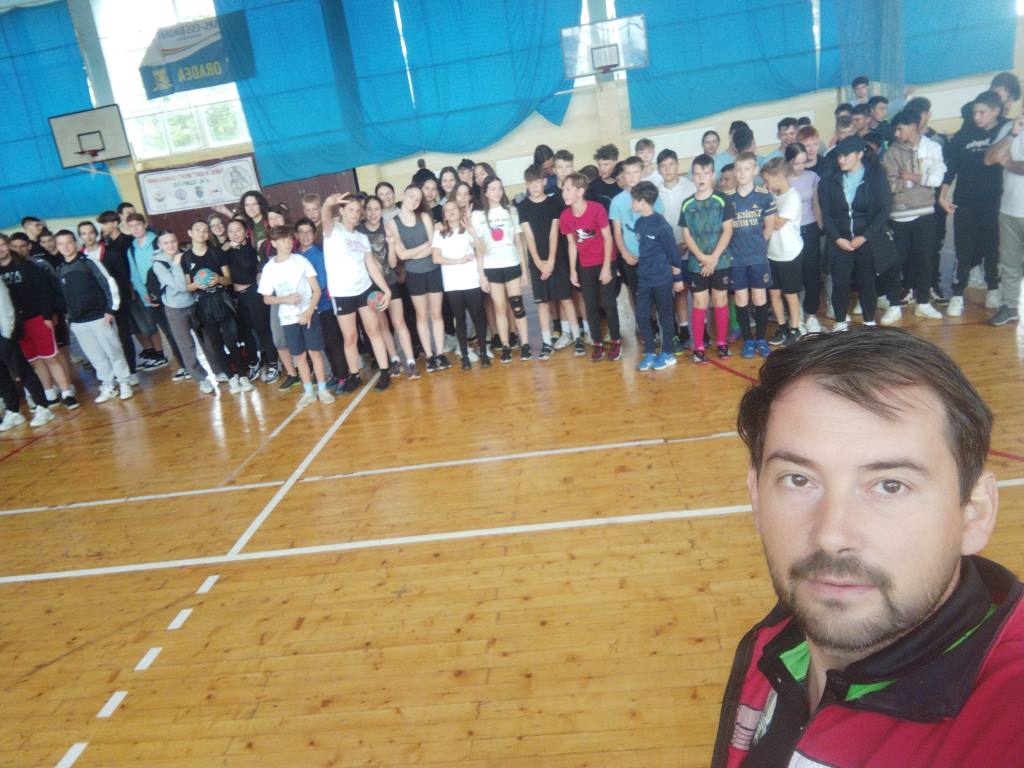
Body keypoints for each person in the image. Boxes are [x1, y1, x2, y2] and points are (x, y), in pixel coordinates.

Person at [714, 326, 1021, 768]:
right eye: (798, 480)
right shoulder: (774, 643)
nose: (831, 534)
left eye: (890, 485)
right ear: (756, 496)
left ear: (974, 513)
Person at [818, 135, 894, 331]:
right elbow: (826, 213)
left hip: (866, 239)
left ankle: (869, 322)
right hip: (840, 240)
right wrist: (837, 238)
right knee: (840, 283)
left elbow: (884, 210)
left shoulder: (875, 177)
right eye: (839, 156)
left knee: (867, 281)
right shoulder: (829, 180)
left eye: (846, 155)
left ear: (859, 154)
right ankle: (840, 322)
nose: (841, 160)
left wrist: (865, 236)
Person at [942, 92, 1008, 316]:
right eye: (974, 112)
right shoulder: (963, 136)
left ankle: (993, 288)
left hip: (994, 202)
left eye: (982, 112)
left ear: (995, 111)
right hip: (965, 202)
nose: (977, 117)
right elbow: (951, 168)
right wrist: (943, 195)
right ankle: (957, 294)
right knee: (964, 249)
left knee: (991, 247)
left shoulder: (1005, 132)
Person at [321, 193, 393, 392]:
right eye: (350, 210)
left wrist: (386, 290)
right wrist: (327, 203)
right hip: (342, 293)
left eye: (357, 210)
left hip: (364, 289)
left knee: (373, 331)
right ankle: (354, 376)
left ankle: (385, 372)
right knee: (350, 337)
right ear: (342, 211)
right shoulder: (332, 230)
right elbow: (325, 217)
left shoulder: (362, 238)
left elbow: (371, 266)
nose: (355, 213)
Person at [880, 109, 947, 323]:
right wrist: (915, 181)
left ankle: (923, 303)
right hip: (899, 214)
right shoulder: (892, 152)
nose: (897, 134)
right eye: (895, 130)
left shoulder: (933, 148)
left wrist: (910, 177)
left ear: (913, 126)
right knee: (895, 262)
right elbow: (890, 183)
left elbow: (936, 179)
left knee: (925, 259)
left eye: (900, 129)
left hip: (925, 211)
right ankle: (893, 305)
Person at [259, 224, 334, 408]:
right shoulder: (269, 268)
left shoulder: (301, 261)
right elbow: (267, 299)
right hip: (288, 319)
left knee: (315, 352)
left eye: (289, 239)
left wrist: (308, 311)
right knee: (299, 356)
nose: (287, 243)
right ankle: (308, 392)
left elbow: (317, 290)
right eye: (282, 240)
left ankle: (322, 389)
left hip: (308, 314)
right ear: (274, 243)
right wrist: (285, 299)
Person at [54, 230, 133, 403]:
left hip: (100, 317)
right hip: (78, 322)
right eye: (61, 244)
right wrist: (70, 319)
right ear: (57, 247)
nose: (65, 247)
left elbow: (109, 283)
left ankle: (124, 382)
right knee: (96, 357)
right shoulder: (60, 270)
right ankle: (108, 385)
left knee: (114, 351)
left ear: (75, 243)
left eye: (68, 242)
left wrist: (111, 309)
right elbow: (62, 296)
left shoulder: (89, 263)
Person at [0, 235, 77, 408]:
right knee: (34, 361)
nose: (0, 249)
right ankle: (49, 393)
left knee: (51, 357)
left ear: (8, 246)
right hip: (16, 324)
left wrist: (48, 316)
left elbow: (45, 292)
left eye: (3, 245)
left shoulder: (27, 266)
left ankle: (66, 393)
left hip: (36, 318)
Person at [516, 164, 579, 360]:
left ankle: (576, 337)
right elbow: (529, 236)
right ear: (526, 184)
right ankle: (546, 343)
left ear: (544, 181)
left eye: (537, 182)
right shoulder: (523, 206)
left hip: (557, 259)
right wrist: (538, 262)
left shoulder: (554, 203)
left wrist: (550, 261)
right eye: (530, 183)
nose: (534, 186)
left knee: (566, 299)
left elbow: (554, 233)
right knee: (543, 303)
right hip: (537, 263)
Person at [182, 220, 252, 392]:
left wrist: (218, 279)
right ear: (190, 233)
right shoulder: (186, 258)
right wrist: (196, 285)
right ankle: (231, 378)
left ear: (208, 234)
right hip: (203, 304)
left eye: (205, 230)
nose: (202, 233)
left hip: (221, 300)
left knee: (231, 340)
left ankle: (242, 376)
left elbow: (228, 279)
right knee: (216, 343)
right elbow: (188, 286)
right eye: (198, 230)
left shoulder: (216, 252)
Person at [469, 175, 531, 364]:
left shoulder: (511, 211)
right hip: (492, 267)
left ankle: (525, 344)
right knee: (499, 308)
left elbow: (518, 243)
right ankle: (505, 346)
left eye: (499, 188)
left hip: (511, 264)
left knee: (517, 306)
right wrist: (482, 275)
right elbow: (479, 250)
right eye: (493, 189)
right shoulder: (477, 216)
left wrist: (524, 270)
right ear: (486, 192)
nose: (497, 192)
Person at [388, 185, 450, 373]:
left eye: (418, 199)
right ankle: (429, 356)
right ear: (403, 195)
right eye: (411, 196)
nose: (414, 201)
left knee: (437, 314)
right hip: (414, 275)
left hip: (433, 270)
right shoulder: (392, 223)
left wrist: (413, 253)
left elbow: (433, 245)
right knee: (422, 316)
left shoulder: (424, 217)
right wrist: (423, 247)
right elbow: (401, 255)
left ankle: (440, 353)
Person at [680, 154, 735, 362]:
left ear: (712, 174)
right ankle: (699, 347)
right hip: (697, 263)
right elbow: (686, 235)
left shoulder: (722, 200)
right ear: (692, 177)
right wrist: (703, 258)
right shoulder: (687, 204)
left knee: (720, 299)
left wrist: (713, 258)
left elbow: (728, 231)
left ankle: (721, 343)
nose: (701, 177)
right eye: (697, 174)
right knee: (699, 302)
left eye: (705, 173)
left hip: (720, 261)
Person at [561, 173, 620, 362]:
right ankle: (597, 343)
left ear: (580, 191)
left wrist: (606, 267)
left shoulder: (597, 209)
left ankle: (616, 340)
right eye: (563, 189)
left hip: (605, 262)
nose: (564, 193)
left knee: (608, 303)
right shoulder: (565, 216)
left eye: (568, 189)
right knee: (590, 305)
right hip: (585, 265)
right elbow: (572, 244)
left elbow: (608, 237)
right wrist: (573, 270)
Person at [149, 231, 217, 395]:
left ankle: (219, 370)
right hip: (175, 309)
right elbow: (179, 286)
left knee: (207, 339)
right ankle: (201, 378)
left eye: (173, 241)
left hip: (194, 303)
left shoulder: (185, 255)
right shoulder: (159, 264)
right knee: (186, 345)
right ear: (160, 245)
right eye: (165, 243)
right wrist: (176, 265)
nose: (170, 245)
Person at [358, 195, 415, 378]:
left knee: (399, 322)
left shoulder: (388, 227)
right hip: (370, 286)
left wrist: (391, 245)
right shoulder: (358, 232)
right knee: (382, 325)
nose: (373, 213)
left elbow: (392, 264)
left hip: (390, 281)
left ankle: (411, 362)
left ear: (382, 211)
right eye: (369, 209)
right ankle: (394, 359)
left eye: (377, 209)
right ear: (364, 212)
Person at [630, 181, 684, 370]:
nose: (631, 203)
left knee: (665, 316)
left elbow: (674, 254)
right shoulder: (639, 223)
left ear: (642, 201)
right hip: (644, 279)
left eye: (633, 200)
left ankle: (668, 353)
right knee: (641, 315)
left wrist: (678, 278)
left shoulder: (662, 225)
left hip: (662, 279)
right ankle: (651, 352)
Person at [0, 241, 54, 430]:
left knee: (23, 370)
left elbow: (5, 307)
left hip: (4, 334)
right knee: (2, 377)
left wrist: (7, 334)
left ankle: (43, 407)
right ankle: (13, 411)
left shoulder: (27, 267)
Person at [727, 152, 777, 359]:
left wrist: (758, 247)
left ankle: (761, 339)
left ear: (755, 170)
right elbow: (725, 230)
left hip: (757, 258)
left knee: (759, 297)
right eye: (738, 169)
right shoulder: (728, 198)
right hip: (736, 259)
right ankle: (748, 340)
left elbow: (769, 227)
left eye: (746, 169)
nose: (742, 173)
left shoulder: (764, 196)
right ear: (734, 171)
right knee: (741, 298)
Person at [432, 200, 491, 369]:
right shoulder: (440, 234)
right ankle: (464, 355)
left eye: (453, 209)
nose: (451, 212)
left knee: (478, 317)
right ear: (444, 215)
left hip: (471, 281)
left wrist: (473, 232)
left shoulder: (468, 229)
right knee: (460, 319)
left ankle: (483, 352)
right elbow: (436, 258)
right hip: (453, 284)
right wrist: (459, 261)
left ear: (459, 211)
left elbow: (483, 250)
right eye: (447, 210)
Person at [124, 212, 182, 375]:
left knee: (177, 330)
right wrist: (145, 293)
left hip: (168, 292)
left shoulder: (158, 241)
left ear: (144, 224)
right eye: (131, 226)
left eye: (137, 225)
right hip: (150, 296)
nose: (135, 229)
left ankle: (187, 364)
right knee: (167, 331)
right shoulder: (131, 249)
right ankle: (182, 364)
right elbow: (134, 275)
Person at [224, 217, 279, 384]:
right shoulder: (226, 252)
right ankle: (254, 362)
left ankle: (273, 363)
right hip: (238, 298)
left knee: (262, 330)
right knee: (246, 332)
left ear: (246, 233)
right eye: (231, 231)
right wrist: (227, 249)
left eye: (238, 230)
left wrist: (237, 248)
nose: (235, 234)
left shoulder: (250, 250)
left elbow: (247, 267)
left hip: (253, 295)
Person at [294, 218, 347, 386]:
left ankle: (343, 376)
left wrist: (305, 293)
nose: (305, 236)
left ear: (314, 234)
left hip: (324, 305)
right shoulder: (295, 256)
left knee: (333, 342)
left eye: (309, 232)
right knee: (323, 344)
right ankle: (335, 375)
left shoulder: (318, 254)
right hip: (307, 309)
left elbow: (322, 283)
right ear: (296, 235)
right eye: (301, 232)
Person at [985, 112, 1024, 326]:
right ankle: (1009, 307)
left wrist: (1008, 163)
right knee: (1009, 263)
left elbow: (1004, 161)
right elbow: (990, 158)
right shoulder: (1010, 128)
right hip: (1009, 209)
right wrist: (1013, 134)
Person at [611, 155, 666, 309]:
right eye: (627, 173)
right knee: (639, 296)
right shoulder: (617, 201)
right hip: (632, 257)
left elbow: (660, 226)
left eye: (635, 172)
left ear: (642, 173)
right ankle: (647, 322)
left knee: (660, 295)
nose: (631, 176)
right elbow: (617, 232)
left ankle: (665, 321)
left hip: (653, 256)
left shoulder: (652, 196)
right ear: (623, 175)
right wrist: (625, 254)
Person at [760, 158, 805, 347]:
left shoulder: (792, 197)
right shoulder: (775, 197)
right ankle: (782, 326)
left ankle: (795, 328)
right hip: (773, 253)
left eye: (767, 180)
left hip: (790, 253)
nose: (766, 184)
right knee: (774, 293)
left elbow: (777, 223)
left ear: (779, 176)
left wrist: (765, 201)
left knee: (790, 294)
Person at [656, 149, 697, 348]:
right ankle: (684, 330)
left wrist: (687, 244)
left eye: (671, 164)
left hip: (691, 249)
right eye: (663, 166)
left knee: (697, 292)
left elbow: (697, 218)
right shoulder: (655, 192)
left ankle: (703, 330)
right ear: (658, 169)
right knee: (679, 292)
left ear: (677, 165)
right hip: (668, 254)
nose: (668, 169)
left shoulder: (690, 187)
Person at [785, 143, 824, 333]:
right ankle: (796, 316)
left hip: (810, 229)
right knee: (793, 276)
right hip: (790, 231)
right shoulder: (782, 179)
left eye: (803, 162)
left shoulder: (813, 177)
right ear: (788, 162)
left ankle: (811, 314)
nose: (800, 167)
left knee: (812, 274)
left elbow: (816, 204)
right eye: (796, 163)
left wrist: (821, 227)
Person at [97, 210, 138, 377]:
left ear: (115, 223)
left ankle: (142, 360)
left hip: (128, 289)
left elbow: (129, 268)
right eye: (102, 224)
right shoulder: (105, 245)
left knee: (136, 326)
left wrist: (131, 287)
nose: (103, 227)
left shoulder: (128, 241)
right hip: (114, 293)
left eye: (106, 223)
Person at [586, 144, 621, 212]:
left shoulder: (623, 185)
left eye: (606, 164)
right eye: (599, 164)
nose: (602, 169)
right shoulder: (592, 187)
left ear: (615, 163)